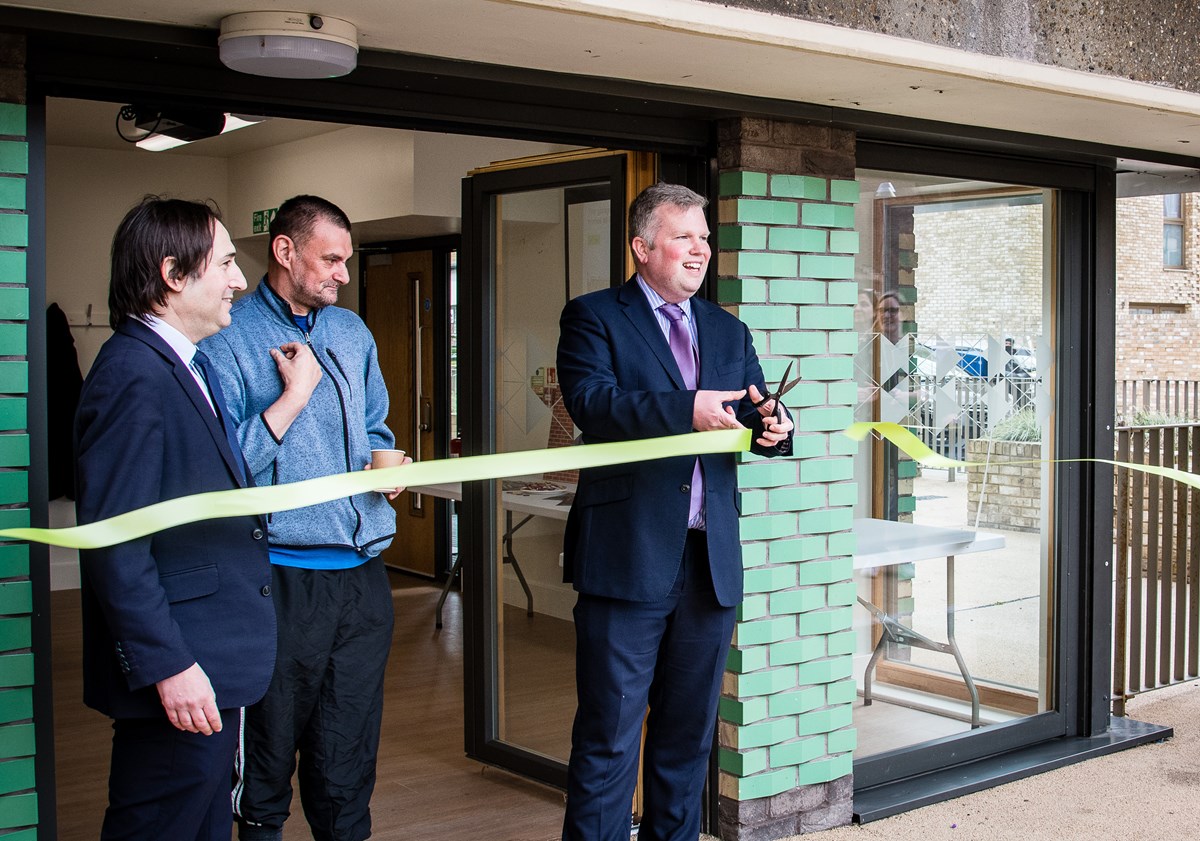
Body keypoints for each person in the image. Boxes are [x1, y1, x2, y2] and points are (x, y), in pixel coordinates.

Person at [556, 182, 794, 841]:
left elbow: (754, 413)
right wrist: (684, 409)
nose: (701, 249)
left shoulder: (727, 328)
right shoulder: (594, 316)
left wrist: (776, 427)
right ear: (642, 246)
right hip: (626, 559)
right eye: (685, 236)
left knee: (686, 744)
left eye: (706, 237)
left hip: (708, 565)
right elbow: (593, 404)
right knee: (608, 741)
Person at [200, 195, 405, 841]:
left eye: (347, 260)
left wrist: (389, 458)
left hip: (364, 580)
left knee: (347, 754)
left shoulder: (353, 333)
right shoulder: (226, 339)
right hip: (277, 577)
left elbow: (376, 422)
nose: (344, 273)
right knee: (265, 755)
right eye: (332, 259)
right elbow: (223, 467)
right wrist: (295, 396)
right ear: (285, 251)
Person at [74, 196, 275, 841]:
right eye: (224, 263)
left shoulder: (189, 365)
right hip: (184, 669)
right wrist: (167, 665)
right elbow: (116, 544)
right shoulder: (134, 374)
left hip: (209, 661)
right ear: (172, 274)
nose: (240, 280)